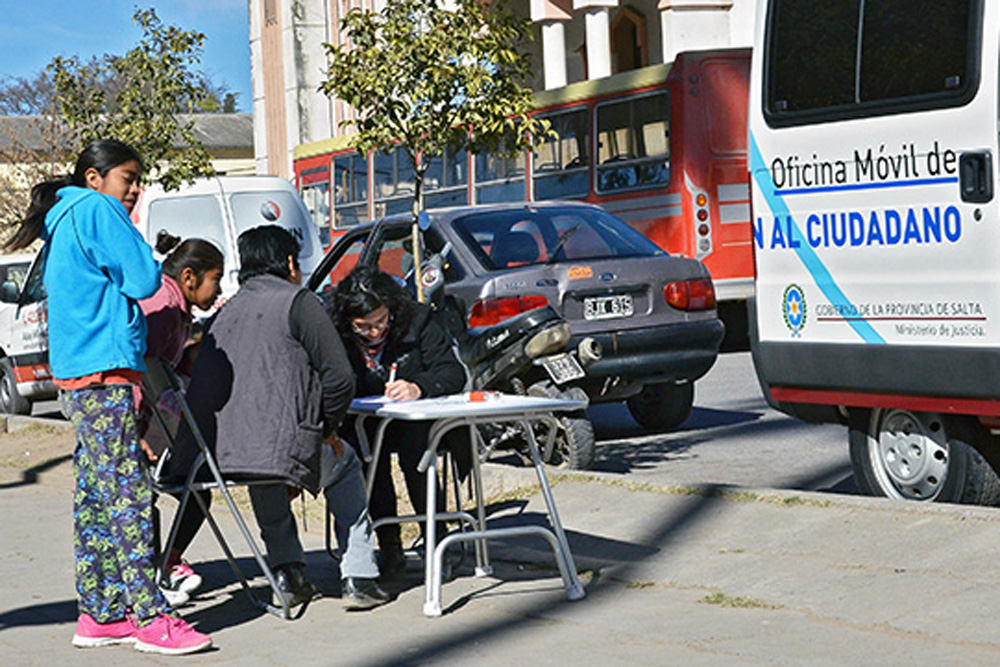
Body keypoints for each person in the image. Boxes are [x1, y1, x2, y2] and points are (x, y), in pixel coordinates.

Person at [6, 139, 212, 655]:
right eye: (128, 177)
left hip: (80, 371)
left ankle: (100, 613)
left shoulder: (65, 216)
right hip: (105, 369)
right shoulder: (96, 208)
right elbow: (144, 279)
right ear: (95, 178)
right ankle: (149, 614)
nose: (136, 188)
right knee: (127, 494)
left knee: (96, 497)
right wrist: (140, 240)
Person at [173, 225, 389, 611]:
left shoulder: (225, 313)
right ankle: (359, 576)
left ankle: (288, 574)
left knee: (265, 470)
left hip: (225, 454)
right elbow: (339, 378)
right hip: (283, 446)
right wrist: (326, 429)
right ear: (290, 262)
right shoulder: (299, 302)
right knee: (346, 465)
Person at [327, 265, 467, 578]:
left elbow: (452, 372)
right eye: (364, 326)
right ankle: (389, 545)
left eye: (381, 322)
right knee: (363, 460)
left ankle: (436, 539)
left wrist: (419, 387)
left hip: (413, 422)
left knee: (418, 455)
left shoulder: (416, 321)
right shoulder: (334, 332)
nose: (375, 332)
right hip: (361, 423)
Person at [138, 231, 224, 607]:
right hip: (141, 417)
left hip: (154, 414)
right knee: (192, 481)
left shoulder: (176, 305)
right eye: (215, 278)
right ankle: (157, 569)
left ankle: (165, 560)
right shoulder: (166, 308)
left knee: (200, 480)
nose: (217, 288)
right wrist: (137, 432)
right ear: (190, 277)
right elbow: (144, 368)